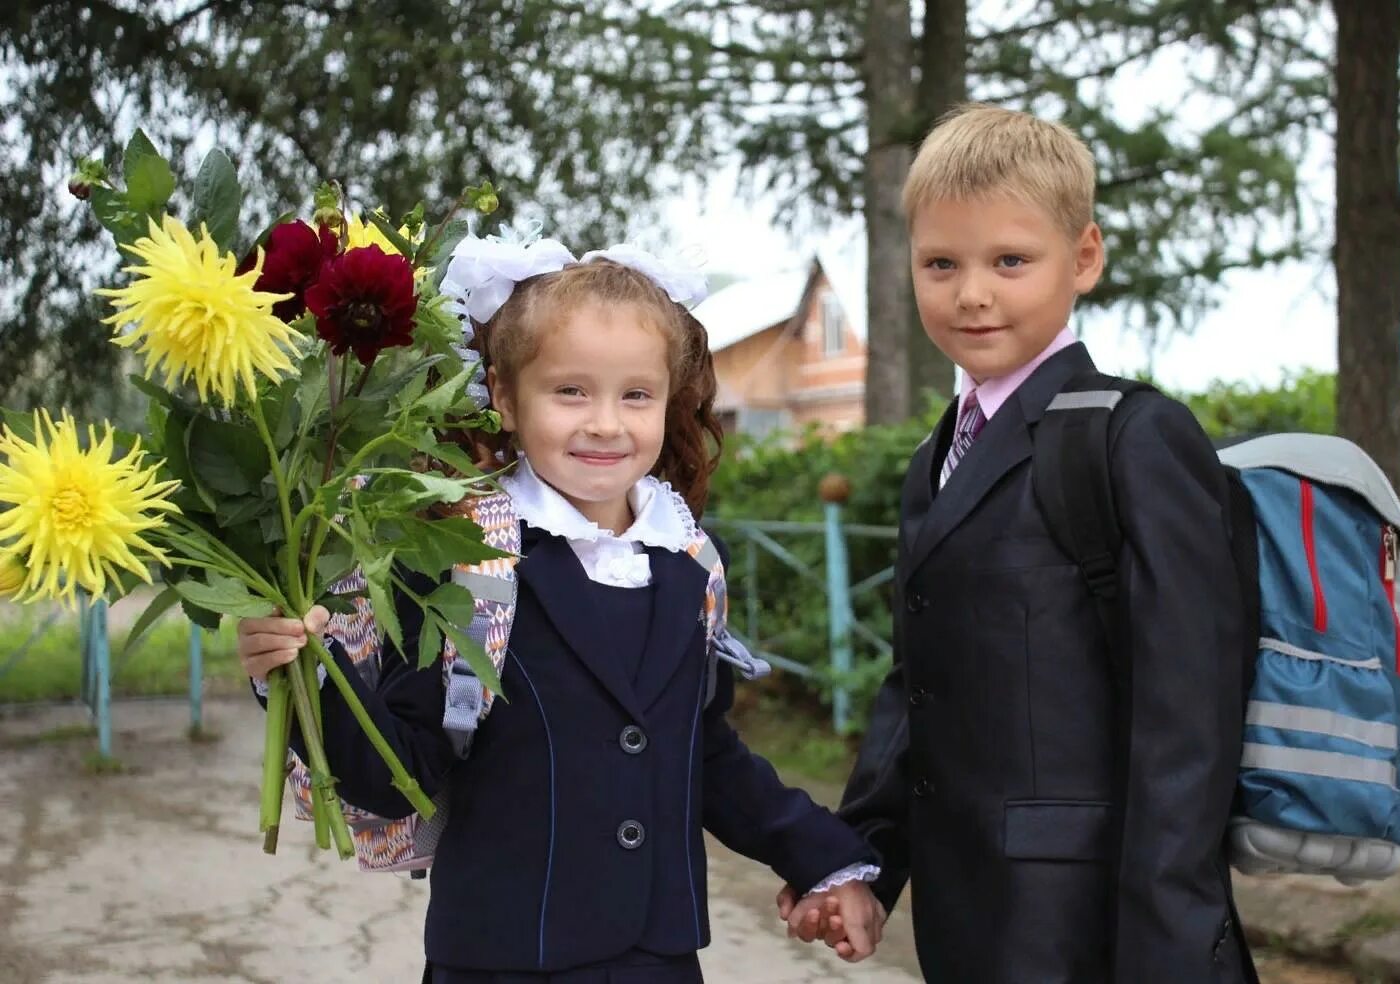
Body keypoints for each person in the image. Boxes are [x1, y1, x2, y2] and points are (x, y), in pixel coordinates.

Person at [237, 240, 886, 983]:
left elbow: (705, 752)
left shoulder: (690, 563)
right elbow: (398, 773)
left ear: (669, 399)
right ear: (505, 398)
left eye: (635, 395)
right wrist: (304, 677)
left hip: (660, 959)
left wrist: (826, 858)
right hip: (503, 958)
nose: (606, 423)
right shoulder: (459, 557)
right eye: (570, 392)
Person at [780, 104, 1260, 982]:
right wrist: (866, 863)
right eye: (941, 264)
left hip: (1100, 929)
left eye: (1010, 260)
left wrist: (1169, 946)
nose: (972, 292)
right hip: (972, 923)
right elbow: (919, 680)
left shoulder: (1135, 437)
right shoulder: (940, 455)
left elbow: (1188, 718)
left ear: (1082, 258)